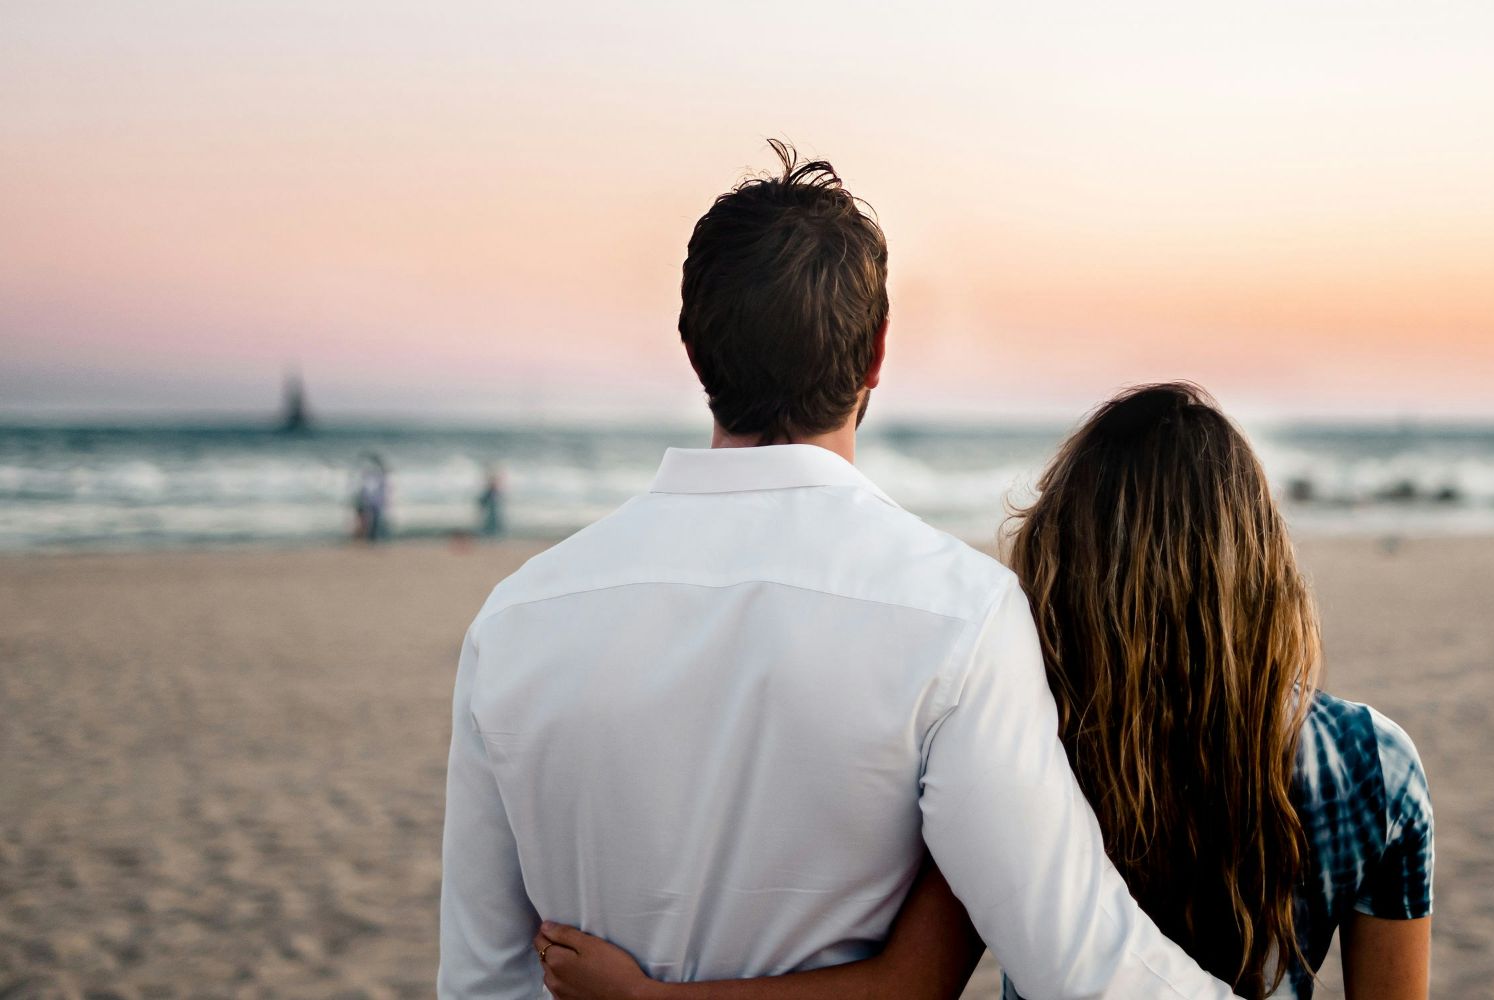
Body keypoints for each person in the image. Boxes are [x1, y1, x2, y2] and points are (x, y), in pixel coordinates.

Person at [438, 145, 1235, 999]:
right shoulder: (956, 615)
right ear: (877, 352)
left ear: (695, 348)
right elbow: (1081, 963)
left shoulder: (519, 619)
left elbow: (485, 981)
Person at [538, 384, 1434, 999]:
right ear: (1260, 563)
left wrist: (647, 997)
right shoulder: (1375, 766)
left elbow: (906, 987)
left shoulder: (1028, 738)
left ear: (1070, 561)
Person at [353, 453, 389, 542]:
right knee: (369, 521)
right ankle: (370, 538)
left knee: (372, 521)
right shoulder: (373, 476)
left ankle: (371, 538)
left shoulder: (375, 476)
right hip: (372, 502)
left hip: (374, 502)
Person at [476, 466, 504, 537]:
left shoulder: (492, 491)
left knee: (492, 520)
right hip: (490, 508)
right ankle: (491, 534)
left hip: (492, 508)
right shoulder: (490, 491)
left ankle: (492, 534)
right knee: (491, 520)